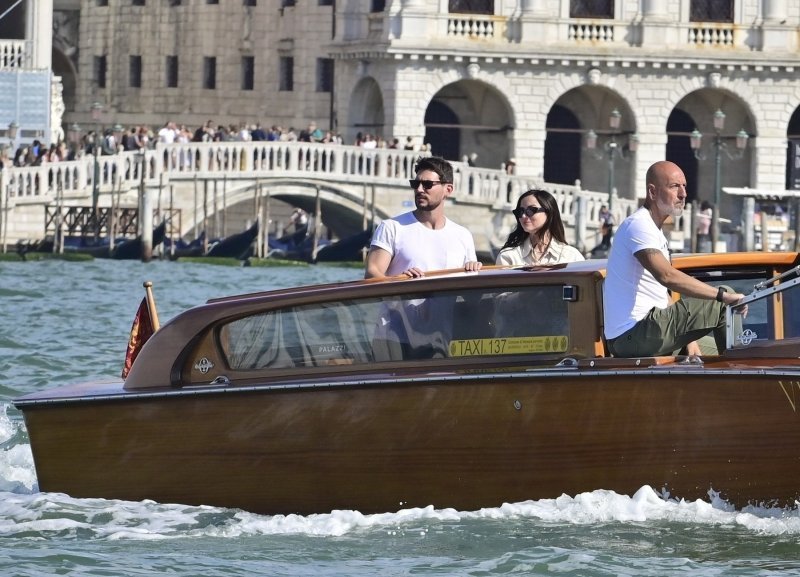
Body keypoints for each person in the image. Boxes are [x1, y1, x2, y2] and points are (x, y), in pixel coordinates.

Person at [603, 161, 745, 357]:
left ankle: (732, 368)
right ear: (652, 192)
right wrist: (723, 297)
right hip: (633, 334)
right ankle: (740, 373)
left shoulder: (654, 231)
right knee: (725, 299)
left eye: (684, 186)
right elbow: (666, 276)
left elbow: (661, 293)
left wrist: (691, 339)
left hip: (645, 333)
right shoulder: (638, 225)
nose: (683, 194)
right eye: (674, 186)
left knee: (711, 355)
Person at [365, 156, 482, 278]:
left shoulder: (463, 235)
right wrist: (400, 282)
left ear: (448, 189)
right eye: (416, 184)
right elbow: (372, 274)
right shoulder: (391, 228)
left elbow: (470, 284)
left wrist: (475, 270)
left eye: (427, 184)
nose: (419, 189)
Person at [496, 189, 584, 265]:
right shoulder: (508, 256)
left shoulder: (571, 256)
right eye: (520, 211)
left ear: (549, 213)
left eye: (531, 210)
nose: (523, 216)